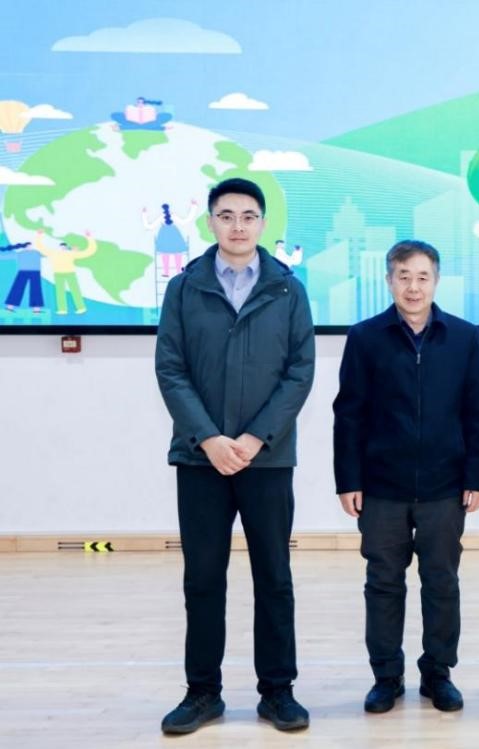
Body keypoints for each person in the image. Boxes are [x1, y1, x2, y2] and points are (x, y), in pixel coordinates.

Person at [155, 177, 315, 734]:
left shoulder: (289, 290)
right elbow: (170, 369)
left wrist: (253, 439)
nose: (238, 226)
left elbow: (300, 372)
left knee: (274, 576)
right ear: (211, 223)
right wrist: (208, 438)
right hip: (200, 459)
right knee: (203, 578)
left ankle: (278, 692)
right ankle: (202, 693)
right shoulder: (184, 288)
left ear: (263, 224)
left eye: (248, 216)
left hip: (266, 459)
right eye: (227, 216)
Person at [333, 239, 479, 715]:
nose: (413, 286)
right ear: (389, 281)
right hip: (381, 486)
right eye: (403, 276)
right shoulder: (365, 337)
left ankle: (438, 674)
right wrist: (348, 479)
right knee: (383, 582)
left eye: (422, 277)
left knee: (441, 581)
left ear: (436, 281)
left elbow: (478, 412)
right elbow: (349, 414)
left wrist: (478, 476)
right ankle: (386, 677)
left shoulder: (464, 337)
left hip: (446, 486)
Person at [32, 230, 97, 314]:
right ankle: (62, 309)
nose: (62, 248)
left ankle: (81, 307)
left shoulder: (70, 253)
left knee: (74, 291)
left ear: (67, 247)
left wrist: (89, 237)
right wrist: (39, 235)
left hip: (70, 273)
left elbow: (89, 251)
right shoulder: (54, 252)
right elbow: (40, 247)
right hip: (59, 274)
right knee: (60, 292)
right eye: (61, 246)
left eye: (64, 246)